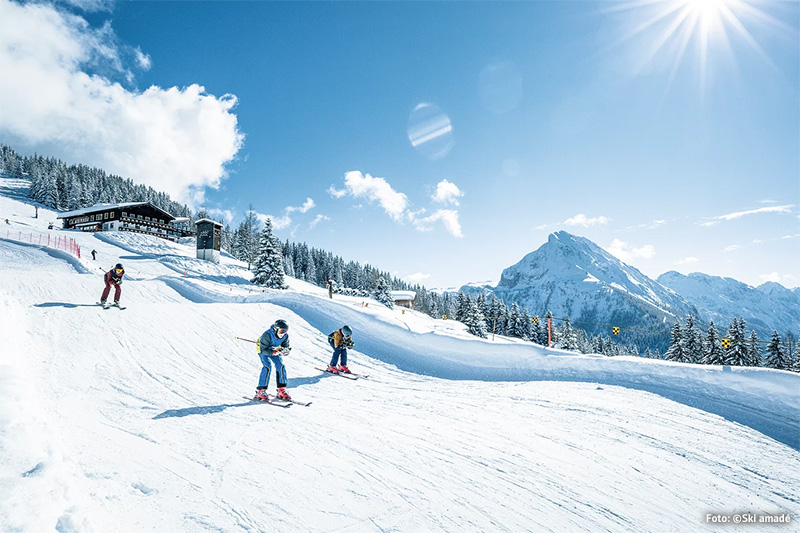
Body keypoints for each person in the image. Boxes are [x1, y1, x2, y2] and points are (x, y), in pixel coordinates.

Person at [255, 319, 292, 401]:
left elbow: (285, 346)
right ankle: (261, 391)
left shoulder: (285, 336)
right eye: (282, 330)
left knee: (281, 366)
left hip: (275, 350)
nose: (283, 333)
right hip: (263, 350)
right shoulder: (267, 335)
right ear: (276, 329)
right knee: (267, 366)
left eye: (285, 331)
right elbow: (263, 350)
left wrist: (285, 350)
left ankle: (281, 390)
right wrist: (273, 352)